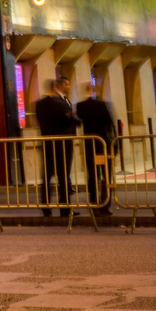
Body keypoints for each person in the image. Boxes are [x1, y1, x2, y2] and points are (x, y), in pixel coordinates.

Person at [33, 76, 78, 215]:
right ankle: (65, 207)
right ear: (56, 86)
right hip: (63, 143)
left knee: (46, 175)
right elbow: (68, 121)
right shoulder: (61, 103)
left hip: (47, 142)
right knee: (64, 175)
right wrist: (74, 120)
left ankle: (45, 206)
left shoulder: (39, 104)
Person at [73, 77, 115, 214]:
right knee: (106, 174)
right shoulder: (102, 105)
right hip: (102, 144)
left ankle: (94, 203)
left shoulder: (80, 106)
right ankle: (105, 203)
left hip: (89, 144)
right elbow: (109, 124)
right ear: (93, 90)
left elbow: (78, 122)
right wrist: (116, 144)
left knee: (92, 174)